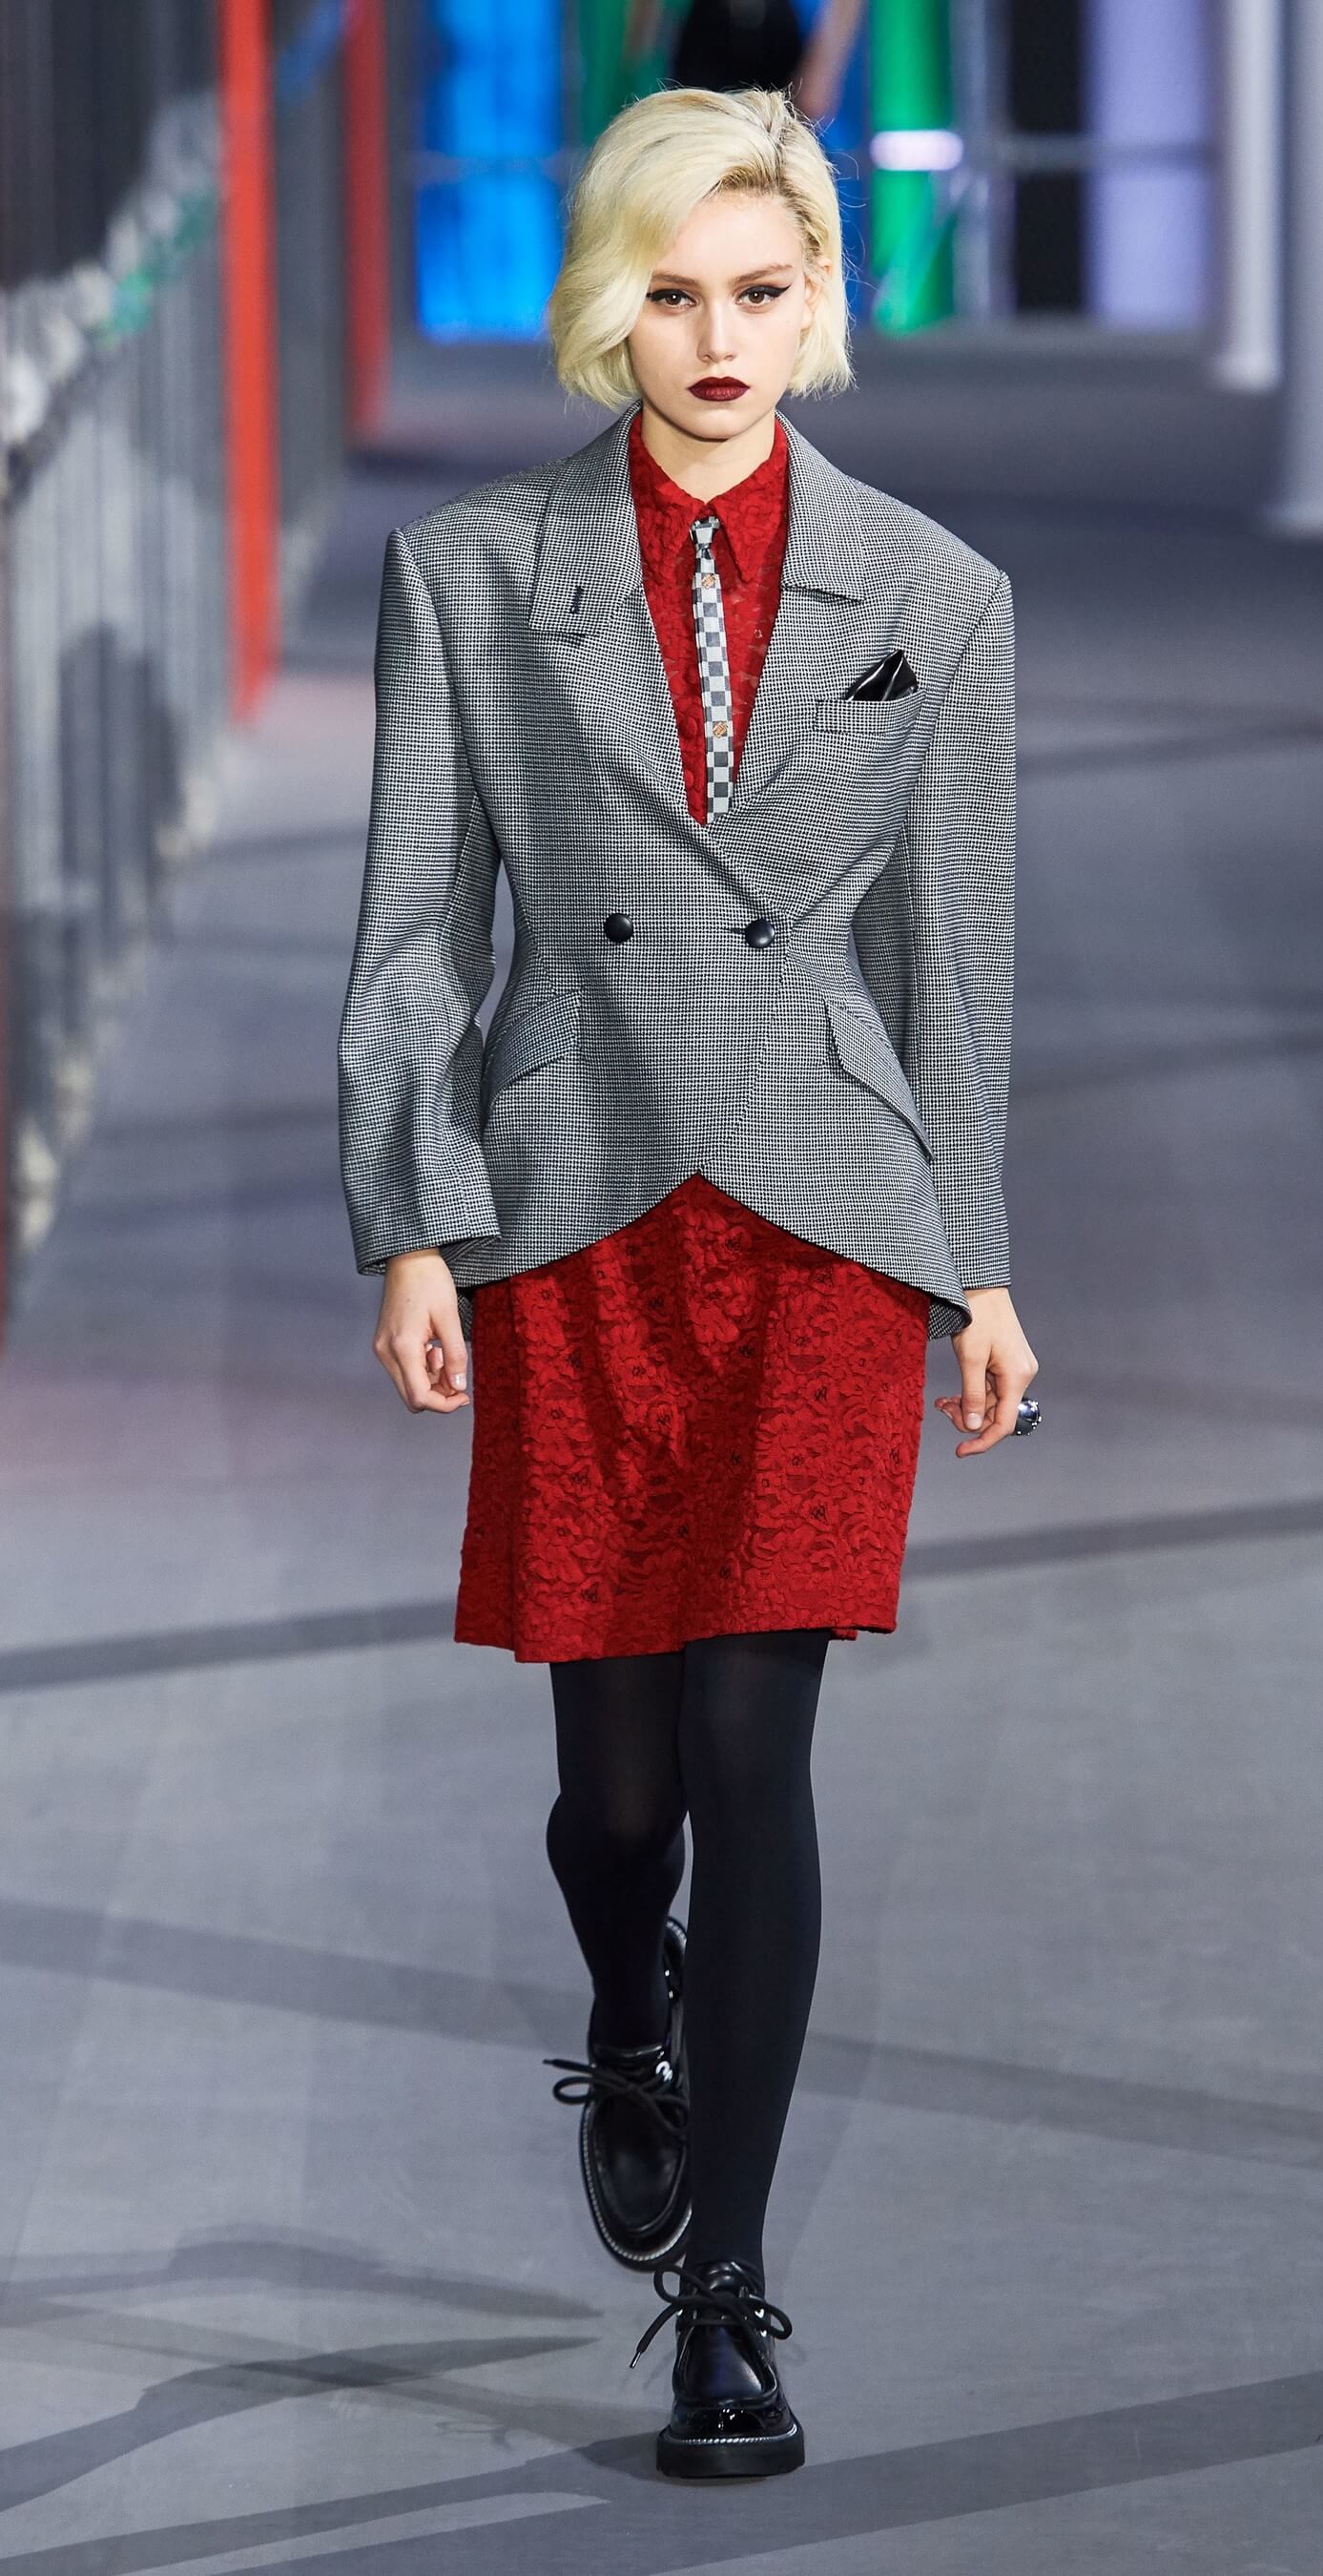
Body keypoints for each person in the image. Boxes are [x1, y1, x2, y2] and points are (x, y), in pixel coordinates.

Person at [338, 84, 1036, 2482]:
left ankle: (725, 2299)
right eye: (673, 291)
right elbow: (413, 936)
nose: (720, 338)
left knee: (757, 1755)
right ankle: (624, 2005)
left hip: (823, 1210)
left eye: (762, 290)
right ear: (605, 306)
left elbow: (957, 966)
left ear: (820, 302)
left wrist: (982, 1268)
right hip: (575, 1196)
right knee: (614, 1792)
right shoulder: (469, 572)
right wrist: (412, 1217)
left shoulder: (936, 596)